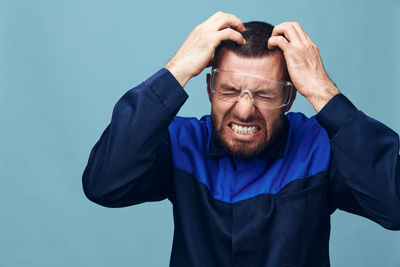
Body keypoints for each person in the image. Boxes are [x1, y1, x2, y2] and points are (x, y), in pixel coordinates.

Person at [82, 11, 400, 267]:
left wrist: (322, 90)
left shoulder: (320, 146)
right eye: (230, 90)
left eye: (264, 94)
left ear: (289, 99)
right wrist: (176, 69)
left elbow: (394, 205)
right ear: (209, 89)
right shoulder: (180, 142)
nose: (245, 110)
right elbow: (104, 184)